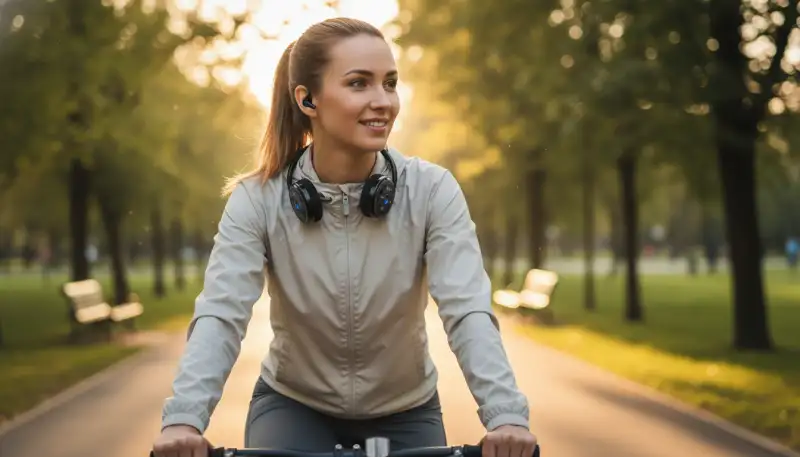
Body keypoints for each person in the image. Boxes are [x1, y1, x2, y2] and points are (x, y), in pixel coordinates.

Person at [151, 17, 537, 457]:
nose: (383, 101)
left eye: (390, 84)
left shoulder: (432, 190)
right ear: (308, 99)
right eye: (359, 84)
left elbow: (467, 309)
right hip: (293, 407)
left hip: (406, 411)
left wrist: (506, 416)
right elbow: (222, 313)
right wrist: (183, 419)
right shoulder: (257, 199)